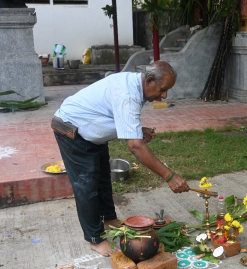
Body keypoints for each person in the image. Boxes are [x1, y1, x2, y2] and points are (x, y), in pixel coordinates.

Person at [52, 61, 190, 257]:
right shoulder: (128, 94)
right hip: (72, 130)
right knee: (87, 186)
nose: (164, 95)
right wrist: (170, 176)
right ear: (149, 80)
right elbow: (135, 146)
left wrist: (136, 130)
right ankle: (94, 238)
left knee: (102, 179)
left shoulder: (136, 86)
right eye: (163, 89)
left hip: (90, 131)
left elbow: (116, 115)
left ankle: (108, 220)